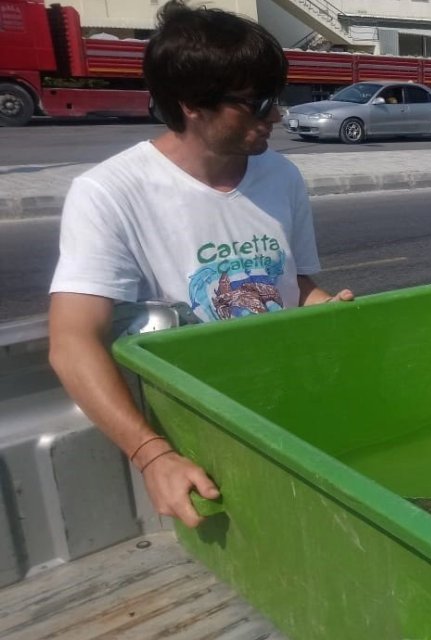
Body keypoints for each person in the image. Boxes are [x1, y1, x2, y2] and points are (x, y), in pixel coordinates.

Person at [47, 0, 352, 530]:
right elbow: (72, 342)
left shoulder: (280, 176)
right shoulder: (110, 193)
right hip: (200, 440)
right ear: (191, 103)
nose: (276, 115)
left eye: (276, 99)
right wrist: (152, 454)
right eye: (258, 103)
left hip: (290, 417)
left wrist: (327, 310)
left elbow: (294, 285)